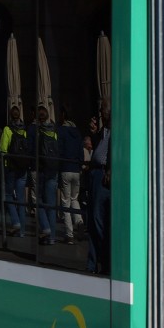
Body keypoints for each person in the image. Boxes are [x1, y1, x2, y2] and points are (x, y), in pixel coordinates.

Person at [86, 104, 111, 274]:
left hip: (103, 175)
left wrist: (110, 170)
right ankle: (92, 263)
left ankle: (104, 261)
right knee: (93, 220)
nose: (100, 112)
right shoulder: (104, 131)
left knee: (98, 219)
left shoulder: (116, 129)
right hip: (95, 174)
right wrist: (94, 133)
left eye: (103, 109)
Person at [0, 105, 30, 235]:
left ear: (10, 116)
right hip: (23, 167)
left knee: (8, 195)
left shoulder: (7, 129)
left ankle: (16, 222)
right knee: (21, 199)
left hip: (11, 166)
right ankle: (21, 231)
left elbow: (3, 149)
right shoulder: (24, 130)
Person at [34, 103, 60, 245]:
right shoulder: (54, 131)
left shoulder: (38, 131)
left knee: (38, 201)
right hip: (54, 169)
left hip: (43, 169)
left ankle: (45, 227)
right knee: (51, 205)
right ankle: (52, 238)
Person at [57, 107, 84, 244]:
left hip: (65, 168)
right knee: (75, 199)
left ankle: (69, 234)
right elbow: (81, 151)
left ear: (63, 116)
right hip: (76, 169)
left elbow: (59, 149)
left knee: (66, 201)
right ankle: (79, 221)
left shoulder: (61, 130)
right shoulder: (77, 132)